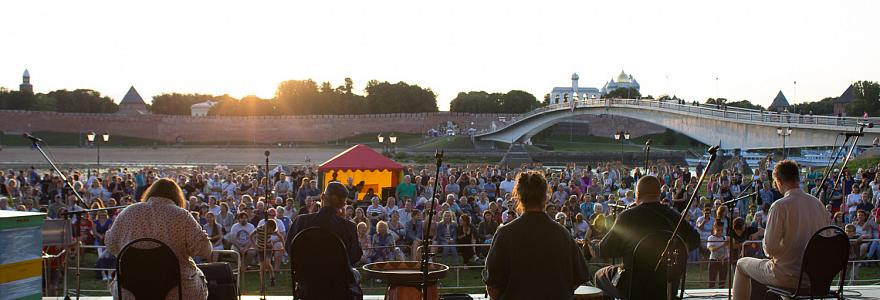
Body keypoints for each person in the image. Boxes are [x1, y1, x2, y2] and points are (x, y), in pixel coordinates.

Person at [732, 160, 830, 299]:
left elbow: (770, 250)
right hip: (816, 277)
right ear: (797, 177)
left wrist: (768, 238)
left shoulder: (780, 206)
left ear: (778, 181)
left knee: (741, 264)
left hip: (788, 276)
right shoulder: (818, 204)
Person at [484, 171, 588, 299]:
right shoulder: (563, 234)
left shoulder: (505, 234)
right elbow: (579, 279)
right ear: (546, 196)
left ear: (518, 197)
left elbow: (492, 287)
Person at [594, 175, 701, 298]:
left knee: (600, 275)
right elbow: (695, 239)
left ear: (637, 194)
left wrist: (593, 247)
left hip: (633, 287)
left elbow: (604, 250)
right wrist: (680, 252)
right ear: (659, 193)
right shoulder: (673, 215)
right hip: (667, 286)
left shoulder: (627, 216)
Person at [105, 178, 213, 300]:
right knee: (199, 277)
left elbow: (110, 243)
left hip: (130, 290)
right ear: (177, 197)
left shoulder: (128, 212)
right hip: (177, 291)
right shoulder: (182, 216)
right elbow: (205, 251)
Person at [286, 181, 363, 299]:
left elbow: (290, 250)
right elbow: (354, 256)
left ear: (322, 197)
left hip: (308, 287)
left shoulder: (300, 222)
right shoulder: (348, 227)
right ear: (343, 204)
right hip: (338, 289)